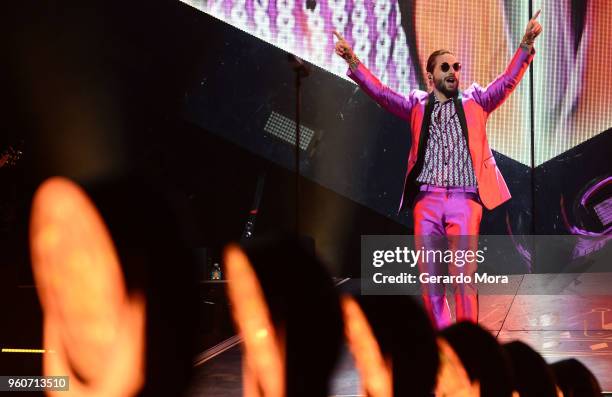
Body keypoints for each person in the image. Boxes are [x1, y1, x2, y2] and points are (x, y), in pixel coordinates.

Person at [333, 12, 542, 328]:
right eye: (446, 67)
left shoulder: (477, 101)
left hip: (465, 201)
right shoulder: (416, 105)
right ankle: (445, 338)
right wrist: (354, 63)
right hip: (427, 202)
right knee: (430, 280)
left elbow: (507, 81)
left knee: (463, 275)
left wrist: (525, 46)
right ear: (430, 76)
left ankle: (468, 342)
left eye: (456, 67)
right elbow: (381, 93)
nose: (453, 72)